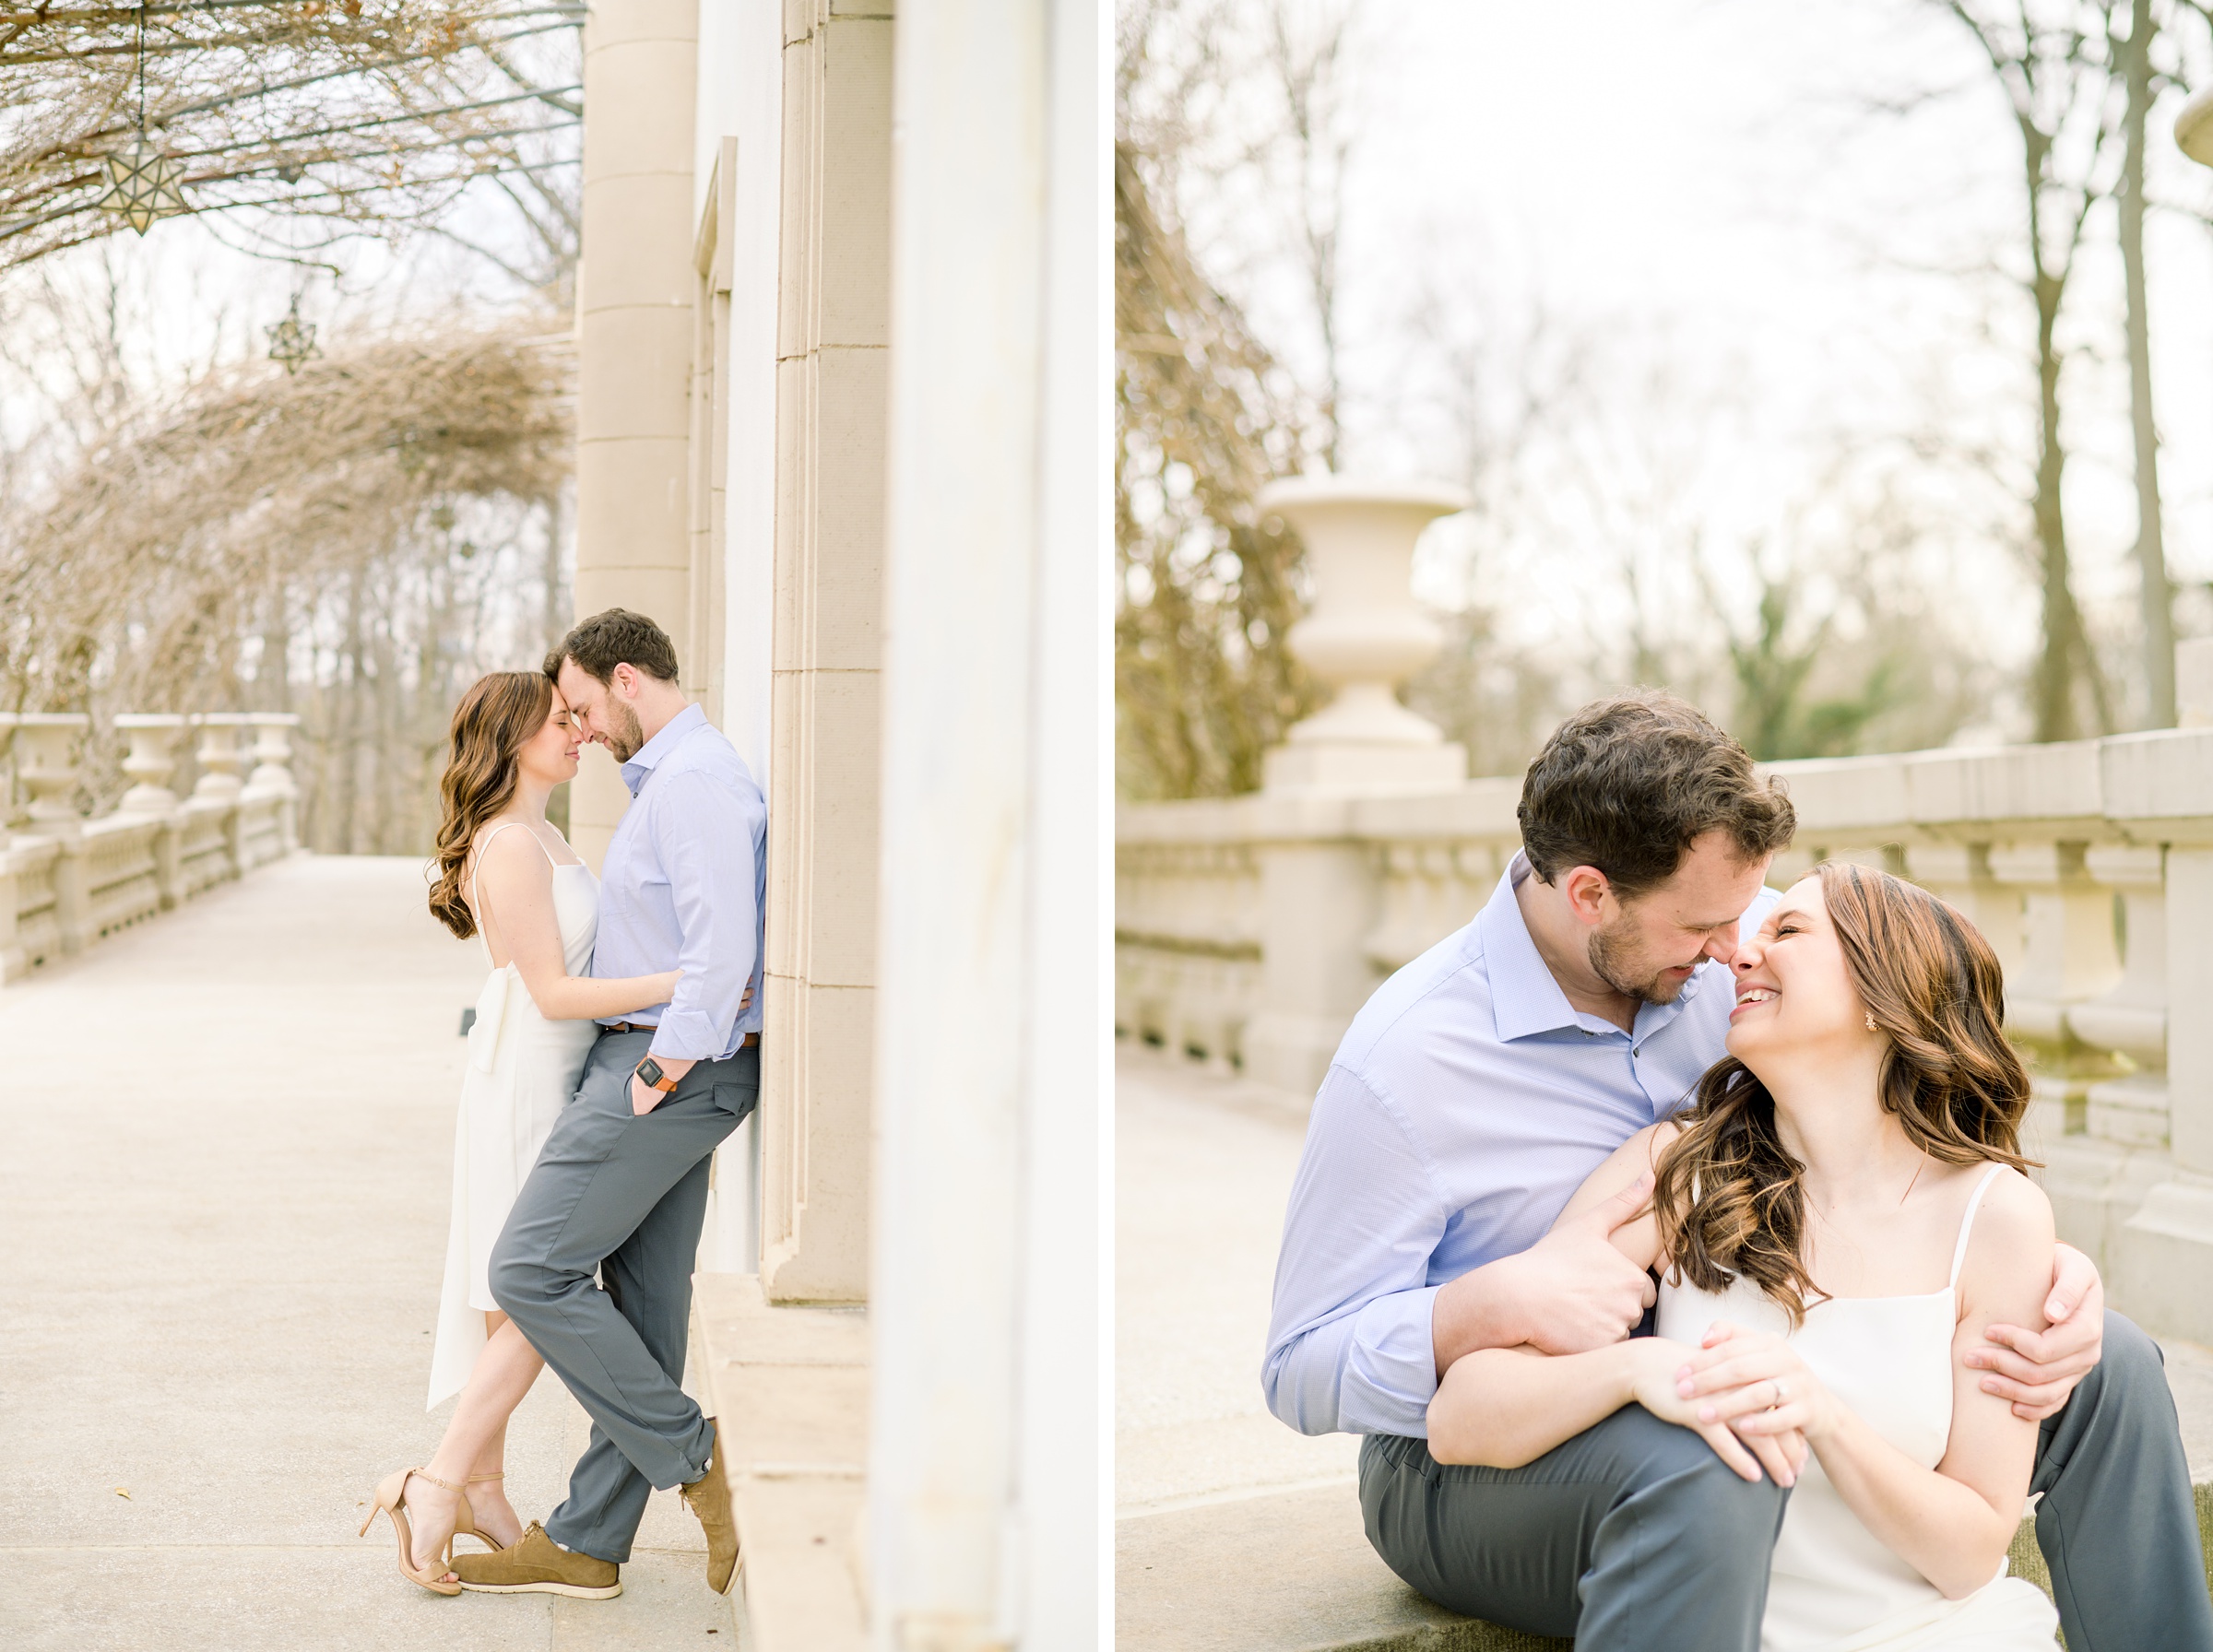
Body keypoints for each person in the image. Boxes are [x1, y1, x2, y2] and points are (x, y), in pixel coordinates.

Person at [1264, 692, 2211, 1652]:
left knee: (2114, 1363)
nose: (1737, 949)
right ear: (1591, 894)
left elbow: (1902, 1091)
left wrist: (2037, 1274)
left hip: (1731, 1363)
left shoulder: (1723, 926)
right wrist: (1493, 1305)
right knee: (1709, 1457)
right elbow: (1303, 1364)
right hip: (1508, 1436)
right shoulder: (1412, 1061)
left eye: (1765, 922)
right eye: (1714, 928)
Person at [1427, 863, 2065, 1648]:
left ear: (1886, 990)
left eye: (1787, 931)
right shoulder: (1677, 1171)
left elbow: (1972, 1553)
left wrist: (1824, 1418)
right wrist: (1639, 1373)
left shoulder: (1997, 1219)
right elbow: (1460, 1415)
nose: (1738, 955)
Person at [450, 608, 766, 1601]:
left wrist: (658, 1072)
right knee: (646, 1302)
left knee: (531, 1267)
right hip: (659, 1061)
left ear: (626, 679)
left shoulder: (697, 782)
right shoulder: (670, 782)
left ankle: (695, 1455)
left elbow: (721, 957)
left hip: (666, 1068)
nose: (581, 727)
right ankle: (589, 1540)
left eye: (582, 704)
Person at [360, 669, 692, 1597]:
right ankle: (435, 1483)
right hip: (528, 1079)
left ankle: (482, 1493)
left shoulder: (543, 832)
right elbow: (550, 991)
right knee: (537, 1297)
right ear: (513, 739)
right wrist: (684, 981)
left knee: (519, 1305)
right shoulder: (510, 843)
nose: (580, 731)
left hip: (551, 1072)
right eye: (560, 721)